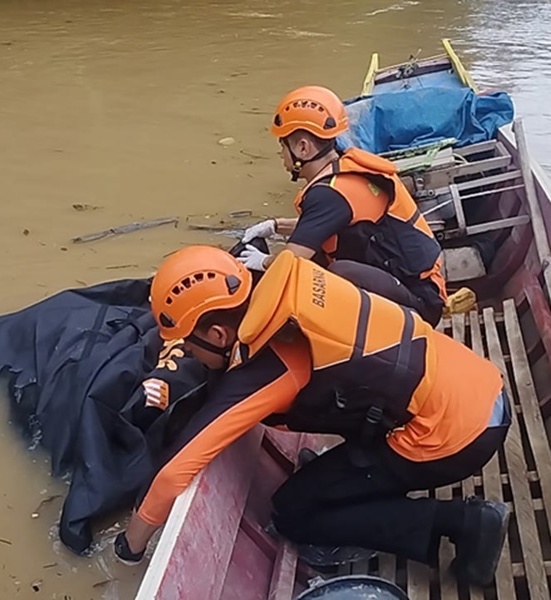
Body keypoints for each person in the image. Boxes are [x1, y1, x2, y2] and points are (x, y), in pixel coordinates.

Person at [113, 245, 510, 588]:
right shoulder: (298, 283)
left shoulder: (274, 362)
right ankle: (364, 478)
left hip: (457, 437)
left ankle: (461, 522)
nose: (188, 356)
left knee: (294, 513)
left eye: (188, 344)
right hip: (480, 385)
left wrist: (128, 549)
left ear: (218, 334)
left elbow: (177, 469)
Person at [236, 86, 447, 326]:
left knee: (326, 273)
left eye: (282, 148)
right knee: (317, 259)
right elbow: (321, 227)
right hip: (414, 284)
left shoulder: (329, 195)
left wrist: (262, 262)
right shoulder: (342, 172)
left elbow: (290, 262)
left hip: (420, 303)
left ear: (303, 148)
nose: (281, 157)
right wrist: (275, 226)